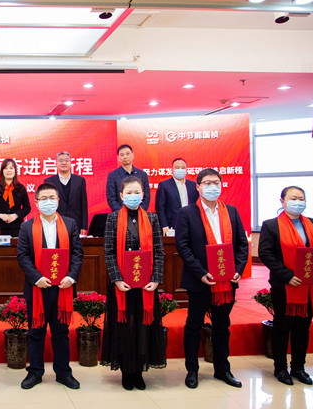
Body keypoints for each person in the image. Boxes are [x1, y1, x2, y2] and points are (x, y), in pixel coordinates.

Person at [175, 168, 248, 389]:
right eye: (207, 183)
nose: (212, 187)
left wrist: (238, 269)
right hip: (200, 281)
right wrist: (201, 272)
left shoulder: (231, 211)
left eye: (216, 183)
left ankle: (222, 369)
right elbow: (183, 247)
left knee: (222, 326)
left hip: (227, 282)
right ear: (198, 187)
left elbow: (242, 245)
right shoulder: (187, 213)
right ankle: (192, 370)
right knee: (193, 325)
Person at [258, 186, 313, 386]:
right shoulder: (271, 225)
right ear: (283, 201)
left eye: (301, 198)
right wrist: (287, 276)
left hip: (309, 286)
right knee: (282, 326)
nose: (298, 202)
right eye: (294, 198)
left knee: (303, 328)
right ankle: (280, 368)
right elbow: (266, 253)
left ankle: (298, 367)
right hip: (284, 286)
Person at [101, 176, 166, 390]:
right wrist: (117, 279)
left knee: (142, 327)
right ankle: (126, 371)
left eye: (137, 192)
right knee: (124, 327)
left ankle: (139, 371)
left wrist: (156, 279)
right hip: (122, 286)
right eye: (129, 193)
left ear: (143, 195)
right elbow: (109, 252)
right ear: (121, 195)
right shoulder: (112, 219)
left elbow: (159, 251)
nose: (133, 196)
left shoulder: (152, 218)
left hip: (146, 286)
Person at [17, 183, 83, 390]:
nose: (48, 202)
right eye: (43, 198)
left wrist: (71, 277)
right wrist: (36, 278)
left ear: (58, 201)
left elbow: (77, 253)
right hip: (37, 289)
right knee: (36, 333)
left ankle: (63, 373)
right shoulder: (27, 227)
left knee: (61, 333)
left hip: (63, 288)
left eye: (52, 198)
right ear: (36, 203)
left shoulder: (70, 224)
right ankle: (35, 372)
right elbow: (22, 256)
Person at [0, 158, 31, 237]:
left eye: (11, 168)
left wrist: (16, 215)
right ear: (2, 171)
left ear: (15, 170)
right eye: (6, 168)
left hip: (16, 227)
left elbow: (27, 208)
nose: (8, 171)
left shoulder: (21, 188)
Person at [45, 151, 88, 235]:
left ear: (70, 163)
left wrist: (84, 226)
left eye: (66, 160)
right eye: (60, 160)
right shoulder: (49, 181)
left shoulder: (80, 180)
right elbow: (47, 205)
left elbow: (84, 204)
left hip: (76, 223)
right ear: (56, 163)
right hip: (55, 222)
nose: (64, 163)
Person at [156, 158, 199, 236]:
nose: (180, 170)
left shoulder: (193, 185)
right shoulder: (164, 185)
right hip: (171, 225)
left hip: (190, 223)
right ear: (172, 169)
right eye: (177, 167)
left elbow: (197, 205)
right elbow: (160, 207)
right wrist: (164, 225)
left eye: (183, 168)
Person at [106, 144, 150, 212]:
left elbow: (146, 197)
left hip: (140, 214)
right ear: (118, 158)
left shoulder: (142, 175)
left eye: (127, 154)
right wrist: (122, 213)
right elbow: (111, 199)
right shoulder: (112, 175)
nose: (125, 157)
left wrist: (139, 212)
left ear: (132, 155)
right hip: (120, 214)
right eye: (122, 155)